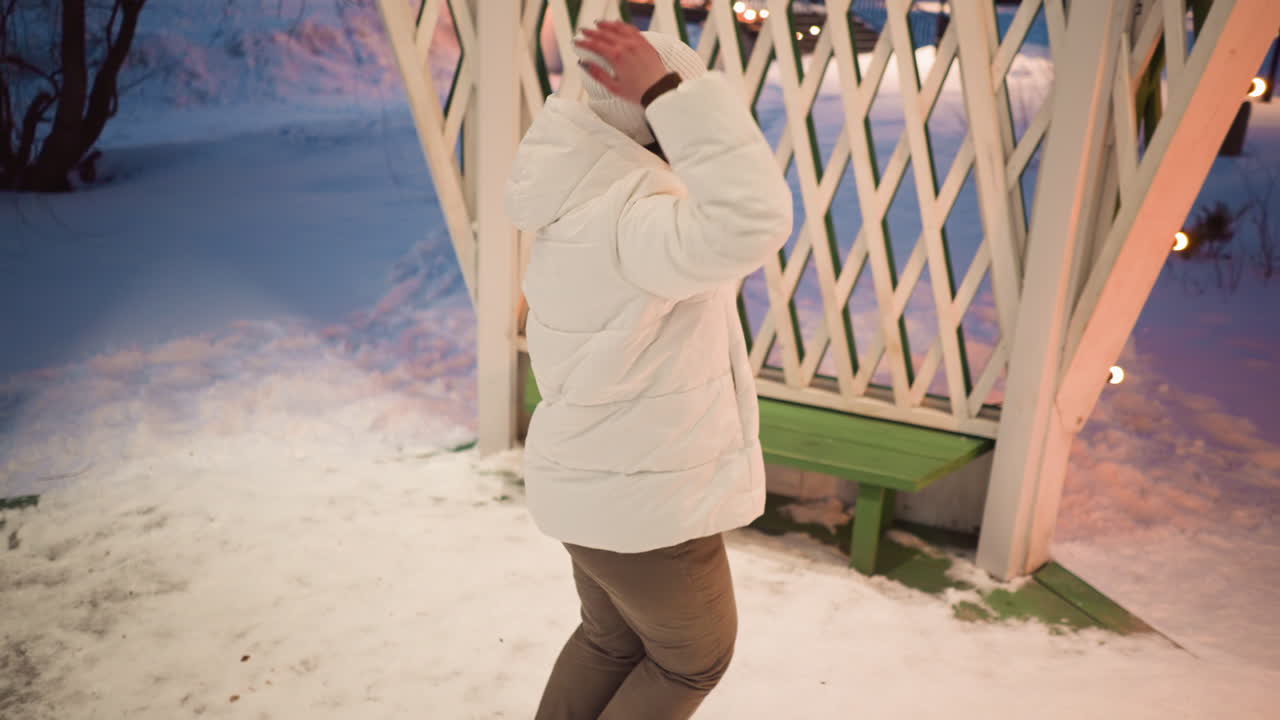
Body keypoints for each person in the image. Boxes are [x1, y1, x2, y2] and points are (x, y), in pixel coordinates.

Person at [504, 20, 793, 720]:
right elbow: (753, 218)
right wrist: (668, 90)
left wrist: (660, 99)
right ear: (660, 117)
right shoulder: (638, 217)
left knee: (610, 641)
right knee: (693, 659)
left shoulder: (586, 196)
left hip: (597, 483)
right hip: (650, 506)